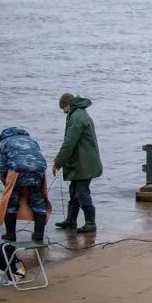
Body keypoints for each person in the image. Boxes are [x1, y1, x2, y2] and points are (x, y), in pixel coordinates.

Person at [53, 94, 103, 234]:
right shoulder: (77, 113)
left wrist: (58, 162)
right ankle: (71, 220)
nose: (63, 111)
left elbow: (69, 143)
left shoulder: (77, 117)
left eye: (63, 108)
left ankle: (90, 223)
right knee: (74, 191)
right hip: (81, 161)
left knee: (81, 192)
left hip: (84, 163)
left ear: (69, 103)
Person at [0, 127, 49, 242]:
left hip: (17, 172)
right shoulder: (31, 141)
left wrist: (6, 183)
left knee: (11, 202)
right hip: (38, 172)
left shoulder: (2, 143)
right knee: (38, 202)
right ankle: (38, 235)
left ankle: (10, 235)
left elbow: (1, 167)